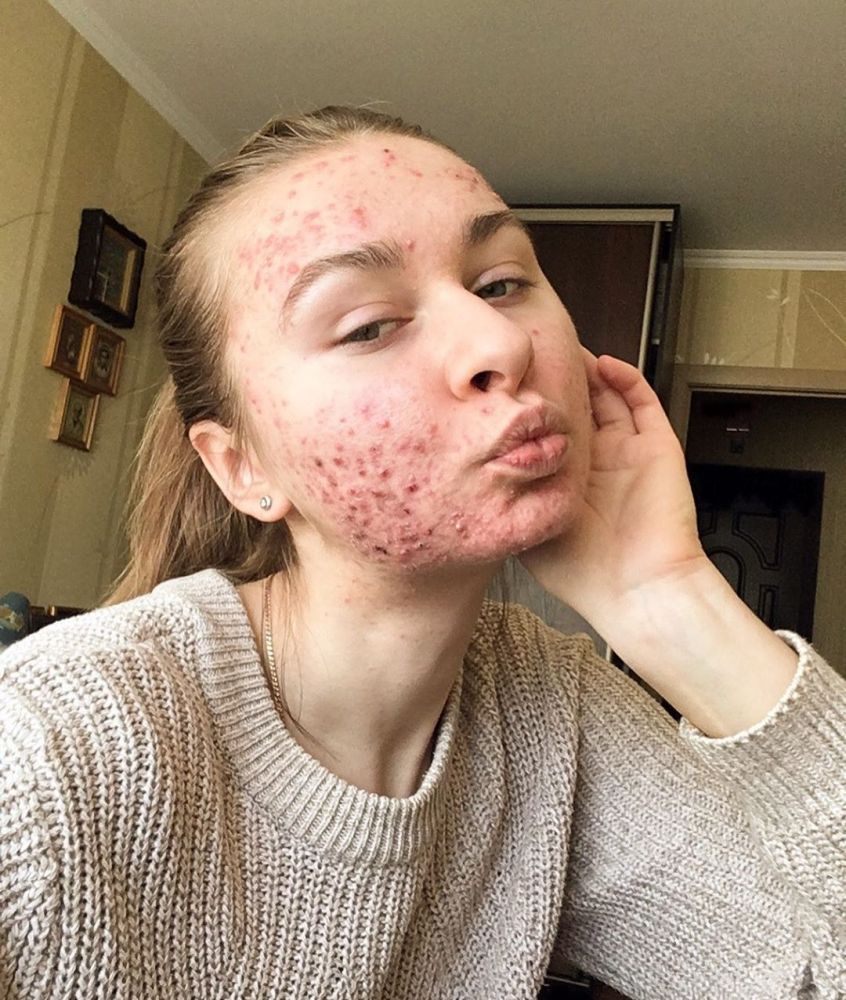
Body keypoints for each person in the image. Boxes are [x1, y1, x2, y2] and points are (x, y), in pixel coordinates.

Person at [1, 106, 843, 1000]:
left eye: (503, 282)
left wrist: (667, 597)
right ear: (244, 467)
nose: (501, 342)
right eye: (369, 325)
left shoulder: (549, 717)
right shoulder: (50, 757)